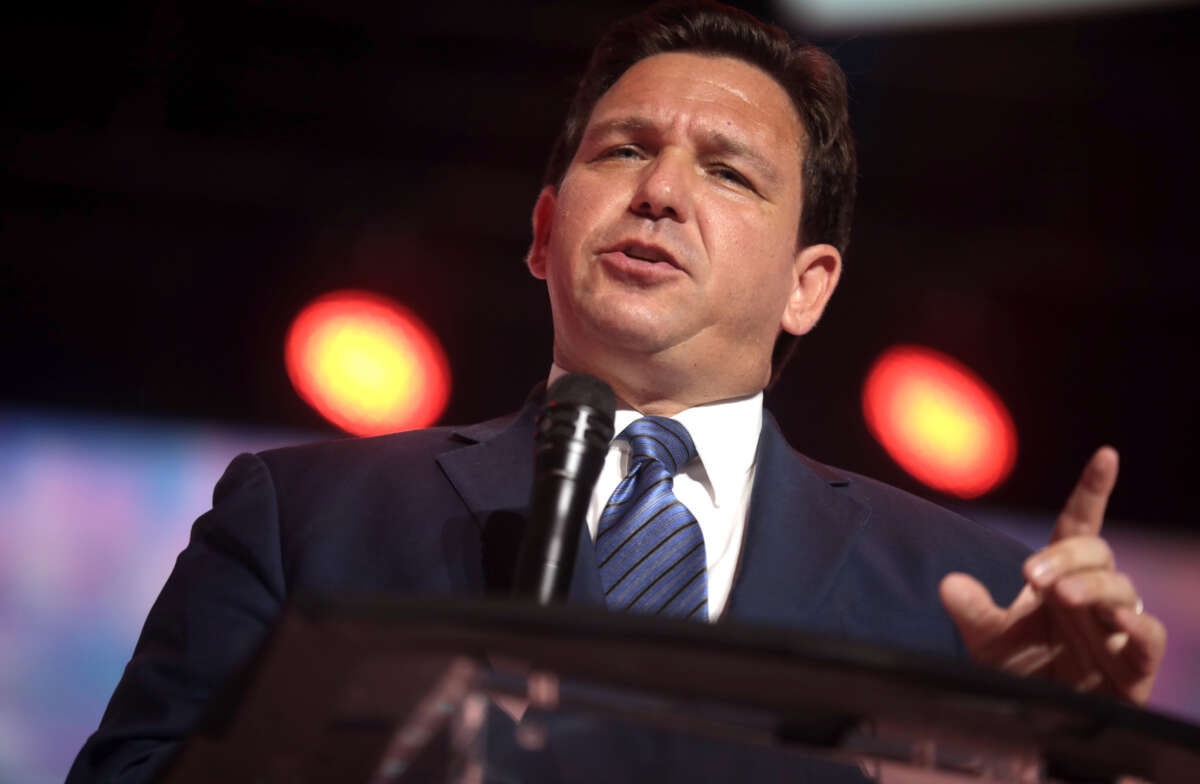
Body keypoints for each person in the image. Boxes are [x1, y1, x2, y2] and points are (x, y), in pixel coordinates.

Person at [68, 1, 1165, 781]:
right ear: (546, 233)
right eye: (623, 150)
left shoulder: (964, 596)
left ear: (807, 286)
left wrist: (1084, 754)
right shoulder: (300, 514)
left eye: (727, 170)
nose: (659, 191)